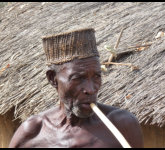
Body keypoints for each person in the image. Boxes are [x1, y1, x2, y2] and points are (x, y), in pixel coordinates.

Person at [9, 28, 143, 148]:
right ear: (52, 79)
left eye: (96, 76)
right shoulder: (34, 132)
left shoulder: (122, 125)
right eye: (78, 78)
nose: (90, 89)